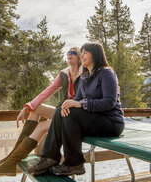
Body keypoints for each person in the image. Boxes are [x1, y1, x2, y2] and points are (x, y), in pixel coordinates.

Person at [28, 42, 125, 177]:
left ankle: (74, 163)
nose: (82, 56)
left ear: (95, 55)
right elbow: (76, 101)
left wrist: (81, 104)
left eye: (85, 53)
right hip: (92, 120)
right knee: (61, 110)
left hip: (111, 122)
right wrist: (68, 105)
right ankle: (50, 158)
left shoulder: (107, 73)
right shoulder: (84, 77)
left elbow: (109, 102)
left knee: (71, 112)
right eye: (82, 53)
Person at [0, 47, 82, 176]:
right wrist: (28, 106)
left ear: (79, 57)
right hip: (63, 111)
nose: (69, 55)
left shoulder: (85, 73)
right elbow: (47, 91)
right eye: (68, 53)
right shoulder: (64, 74)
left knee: (41, 126)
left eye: (73, 53)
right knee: (36, 108)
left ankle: (11, 161)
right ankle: (11, 159)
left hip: (75, 116)